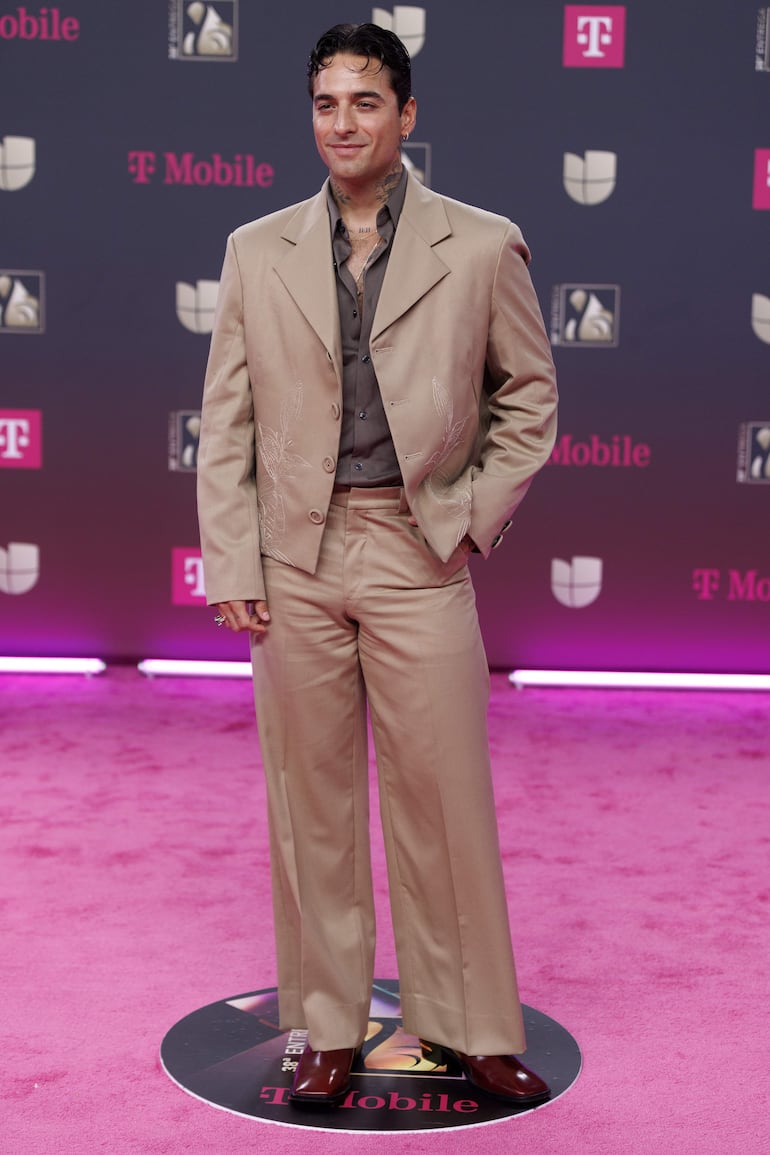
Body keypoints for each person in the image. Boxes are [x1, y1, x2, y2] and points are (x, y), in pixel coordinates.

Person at [197, 22, 558, 1107]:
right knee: (309, 804)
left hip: (417, 548)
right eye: (325, 104)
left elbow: (529, 398)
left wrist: (467, 520)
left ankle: (469, 1025)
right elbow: (226, 420)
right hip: (294, 560)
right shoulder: (256, 249)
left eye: (364, 102)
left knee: (443, 798)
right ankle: (326, 1025)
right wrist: (234, 560)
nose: (342, 123)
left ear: (406, 114)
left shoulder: (481, 245)